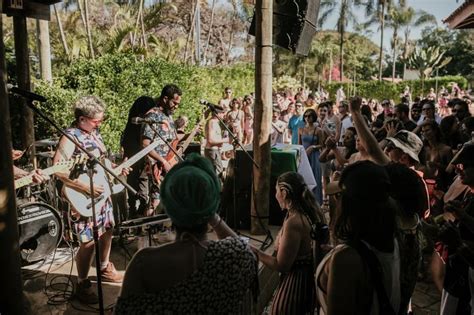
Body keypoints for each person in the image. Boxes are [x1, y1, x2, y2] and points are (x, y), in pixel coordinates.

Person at [116, 154, 258, 314]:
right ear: (212, 204)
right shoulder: (236, 256)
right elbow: (242, 248)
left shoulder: (143, 265)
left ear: (168, 207)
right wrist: (210, 212)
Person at [53, 96, 127, 304]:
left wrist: (118, 169)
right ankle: (82, 283)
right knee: (87, 242)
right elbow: (58, 168)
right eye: (96, 121)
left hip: (101, 195)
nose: (99, 124)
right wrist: (83, 186)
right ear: (82, 119)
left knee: (108, 230)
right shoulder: (70, 136)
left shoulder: (94, 134)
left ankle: (103, 268)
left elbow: (102, 163)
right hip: (83, 196)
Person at [315, 161, 401, 315]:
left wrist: (340, 256)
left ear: (351, 204)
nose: (336, 201)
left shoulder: (345, 260)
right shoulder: (391, 240)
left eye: (339, 196)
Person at [252, 172, 326, 315]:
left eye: (276, 191)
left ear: (284, 193)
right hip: (305, 281)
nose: (275, 195)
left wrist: (256, 252)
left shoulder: (295, 222)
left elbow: (281, 265)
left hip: (296, 285)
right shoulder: (307, 212)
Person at [142, 84, 182, 214]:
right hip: (157, 166)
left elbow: (170, 140)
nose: (176, 106)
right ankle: (151, 228)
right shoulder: (151, 116)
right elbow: (145, 145)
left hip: (170, 163)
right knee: (156, 200)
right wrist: (162, 162)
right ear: (165, 99)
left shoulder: (168, 116)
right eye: (174, 103)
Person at [121, 96, 156, 219]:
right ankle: (136, 215)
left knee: (139, 192)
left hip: (138, 163)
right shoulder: (135, 125)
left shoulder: (132, 127)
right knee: (139, 191)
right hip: (135, 163)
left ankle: (137, 214)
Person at [299, 108, 325, 205]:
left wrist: (313, 147)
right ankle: (305, 201)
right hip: (304, 155)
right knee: (304, 178)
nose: (307, 118)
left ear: (314, 117)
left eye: (309, 116)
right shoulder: (301, 129)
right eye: (305, 116)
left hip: (314, 156)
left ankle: (316, 202)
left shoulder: (318, 130)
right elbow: (299, 144)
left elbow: (322, 145)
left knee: (315, 177)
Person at [204, 107, 229, 178]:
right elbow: (210, 140)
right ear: (217, 113)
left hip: (214, 151)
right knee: (218, 172)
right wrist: (225, 140)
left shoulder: (215, 122)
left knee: (218, 171)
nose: (224, 115)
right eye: (223, 113)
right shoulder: (211, 122)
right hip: (212, 151)